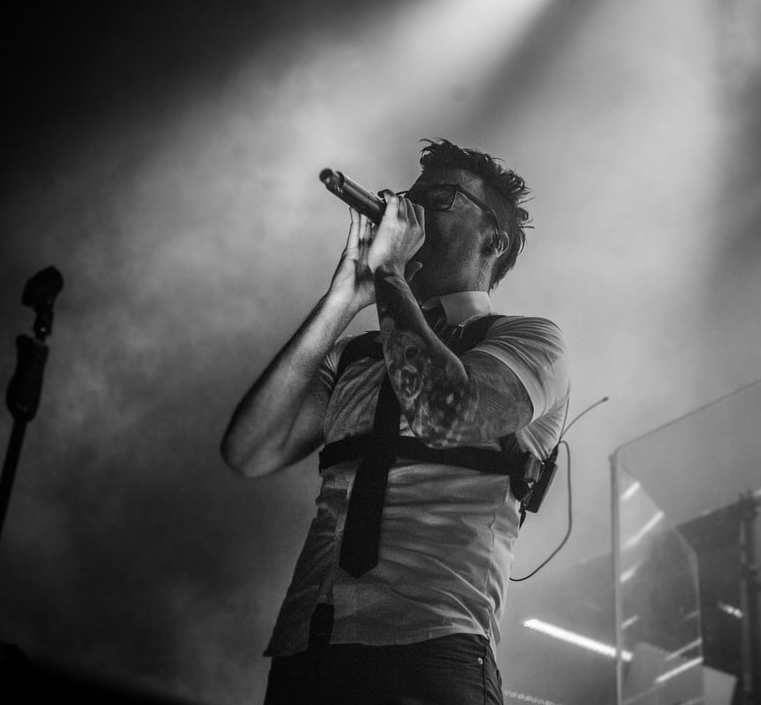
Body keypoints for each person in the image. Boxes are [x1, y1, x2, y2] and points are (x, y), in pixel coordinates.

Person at [221, 139, 570, 704]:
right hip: (307, 649)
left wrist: (389, 273)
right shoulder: (357, 354)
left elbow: (445, 415)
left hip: (432, 649)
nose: (408, 208)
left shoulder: (529, 340)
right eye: (411, 195)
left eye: (440, 198)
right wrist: (343, 299)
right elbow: (250, 450)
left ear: (494, 240)